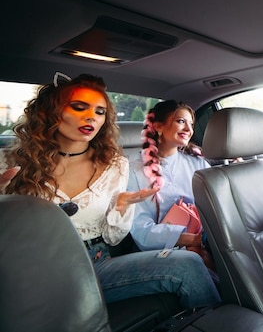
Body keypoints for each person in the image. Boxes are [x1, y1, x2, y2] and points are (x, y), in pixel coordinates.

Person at [0, 73, 221, 310]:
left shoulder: (114, 166)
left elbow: (112, 238)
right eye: (79, 107)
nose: (91, 117)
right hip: (31, 268)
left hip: (97, 265)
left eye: (99, 111)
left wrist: (121, 207)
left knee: (188, 265)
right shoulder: (9, 163)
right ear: (51, 112)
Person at [127, 100, 217, 278]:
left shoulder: (199, 164)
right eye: (181, 121)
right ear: (158, 126)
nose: (188, 129)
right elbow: (141, 230)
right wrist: (192, 240)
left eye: (191, 124)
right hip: (167, 247)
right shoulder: (133, 171)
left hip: (208, 241)